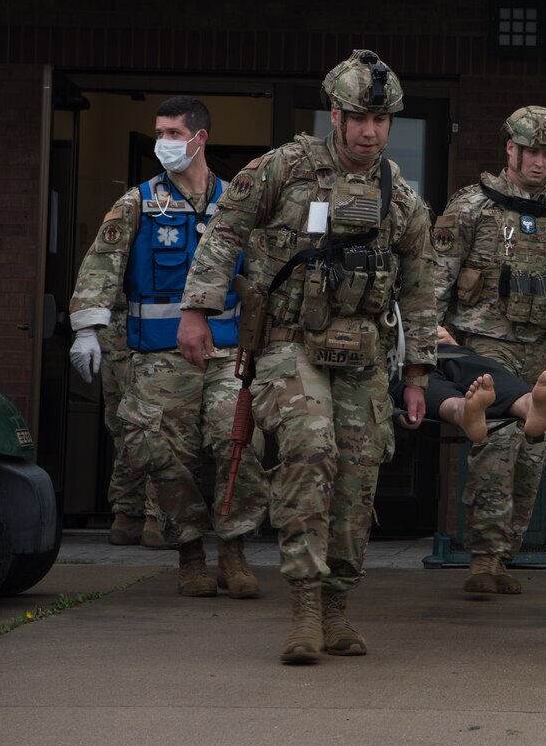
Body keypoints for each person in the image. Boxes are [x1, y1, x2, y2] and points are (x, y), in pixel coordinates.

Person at [177, 50, 438, 665]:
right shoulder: (283, 168)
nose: (370, 131)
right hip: (289, 343)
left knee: (358, 473)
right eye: (359, 118)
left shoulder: (401, 196)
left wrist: (418, 374)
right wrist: (198, 309)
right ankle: (304, 608)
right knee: (309, 448)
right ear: (335, 116)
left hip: (364, 352)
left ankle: (337, 606)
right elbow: (225, 231)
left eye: (381, 120)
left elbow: (420, 286)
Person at [68, 95, 269, 599]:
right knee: (162, 454)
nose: (163, 143)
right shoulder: (138, 201)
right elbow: (102, 263)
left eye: (173, 134)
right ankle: (191, 556)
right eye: (159, 133)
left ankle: (234, 552)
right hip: (159, 357)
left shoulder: (236, 203)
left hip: (227, 355)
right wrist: (87, 327)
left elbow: (263, 273)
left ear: (200, 138)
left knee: (239, 441)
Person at [432, 105, 546, 595]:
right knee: (496, 449)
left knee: (532, 457)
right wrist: (432, 334)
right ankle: (482, 557)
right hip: (488, 346)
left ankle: (504, 555)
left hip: (544, 352)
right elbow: (436, 277)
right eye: (531, 152)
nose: (540, 162)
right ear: (510, 149)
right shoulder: (472, 206)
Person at [68, 293, 164, 548]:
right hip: (144, 340)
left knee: (126, 432)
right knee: (150, 427)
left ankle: (127, 516)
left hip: (113, 337)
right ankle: (156, 518)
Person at [391, 326, 546, 444]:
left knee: (473, 364)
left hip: (424, 343)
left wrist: (439, 333)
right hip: (391, 359)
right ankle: (463, 410)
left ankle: (528, 405)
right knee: (423, 383)